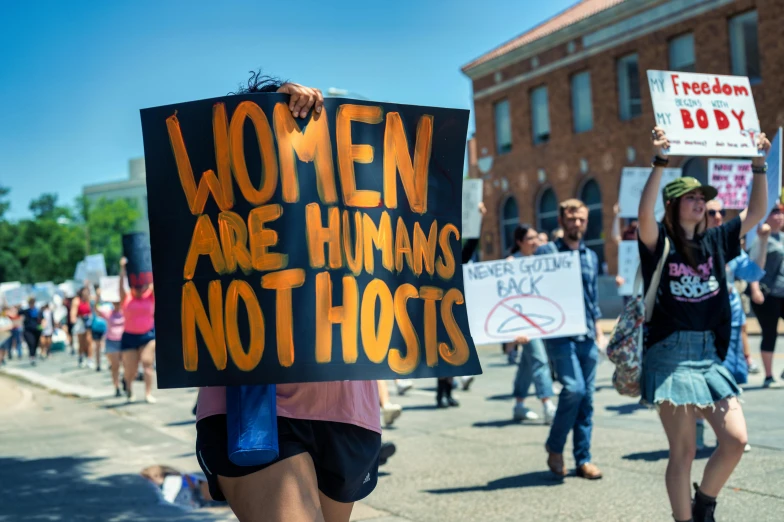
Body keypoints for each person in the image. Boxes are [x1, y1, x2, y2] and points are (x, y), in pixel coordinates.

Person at [195, 75, 381, 522]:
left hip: (351, 412)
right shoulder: (223, 206)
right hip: (260, 408)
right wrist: (265, 113)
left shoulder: (349, 195)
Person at [639, 127, 768, 522]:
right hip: (669, 354)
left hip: (709, 356)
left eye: (703, 198)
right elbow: (643, 214)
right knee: (684, 452)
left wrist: (759, 165)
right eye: (691, 198)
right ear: (674, 205)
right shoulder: (659, 241)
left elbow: (757, 212)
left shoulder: (717, 239)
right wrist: (660, 161)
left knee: (734, 439)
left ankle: (704, 504)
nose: (700, 203)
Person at [537, 199, 604, 480]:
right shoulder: (547, 252)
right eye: (571, 218)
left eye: (581, 219)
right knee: (573, 389)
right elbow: (533, 289)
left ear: (587, 222)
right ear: (562, 221)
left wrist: (600, 331)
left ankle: (583, 459)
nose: (576, 223)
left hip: (587, 334)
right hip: (559, 335)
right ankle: (554, 446)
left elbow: (592, 297)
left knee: (586, 399)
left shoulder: (590, 257)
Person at [506, 224, 556, 424]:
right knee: (540, 360)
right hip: (521, 322)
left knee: (527, 365)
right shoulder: (511, 262)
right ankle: (548, 405)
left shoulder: (539, 260)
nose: (535, 242)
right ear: (519, 242)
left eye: (537, 237)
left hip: (539, 320)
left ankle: (519, 404)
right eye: (530, 238)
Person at [746, 202, 784, 388]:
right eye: (774, 212)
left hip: (782, 292)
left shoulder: (782, 237)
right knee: (770, 333)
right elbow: (754, 265)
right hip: (767, 294)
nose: (778, 216)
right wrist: (754, 289)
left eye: (781, 212)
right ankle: (769, 376)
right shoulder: (761, 238)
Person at [119, 257, 156, 403]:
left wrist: (147, 265)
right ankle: (129, 388)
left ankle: (148, 393)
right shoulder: (126, 297)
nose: (140, 290)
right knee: (131, 370)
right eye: (137, 287)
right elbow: (121, 286)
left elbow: (154, 282)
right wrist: (123, 269)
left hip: (147, 335)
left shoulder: (150, 296)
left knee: (147, 363)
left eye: (142, 287)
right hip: (129, 336)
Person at [97, 295, 126, 397]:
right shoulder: (109, 313)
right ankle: (116, 387)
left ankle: (125, 380)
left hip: (124, 342)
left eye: (119, 303)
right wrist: (97, 297)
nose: (117, 305)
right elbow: (97, 310)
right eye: (115, 303)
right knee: (115, 366)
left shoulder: (125, 312)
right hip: (112, 341)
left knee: (127, 365)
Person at [70, 287, 94, 368]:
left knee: (89, 341)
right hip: (80, 321)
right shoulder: (77, 300)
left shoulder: (89, 300)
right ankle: (81, 357)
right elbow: (73, 312)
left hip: (88, 321)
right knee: (81, 342)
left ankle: (90, 359)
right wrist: (73, 318)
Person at [20, 297, 42, 366]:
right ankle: (31, 356)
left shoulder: (38, 311)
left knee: (35, 344)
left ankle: (33, 355)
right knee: (31, 343)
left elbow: (42, 319)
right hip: (28, 330)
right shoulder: (26, 311)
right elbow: (19, 312)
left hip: (37, 330)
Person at [91, 292, 108, 372]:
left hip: (106, 328)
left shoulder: (108, 304)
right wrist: (97, 296)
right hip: (96, 328)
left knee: (106, 347)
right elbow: (95, 308)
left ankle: (110, 363)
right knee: (97, 347)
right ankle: (98, 364)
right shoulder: (96, 304)